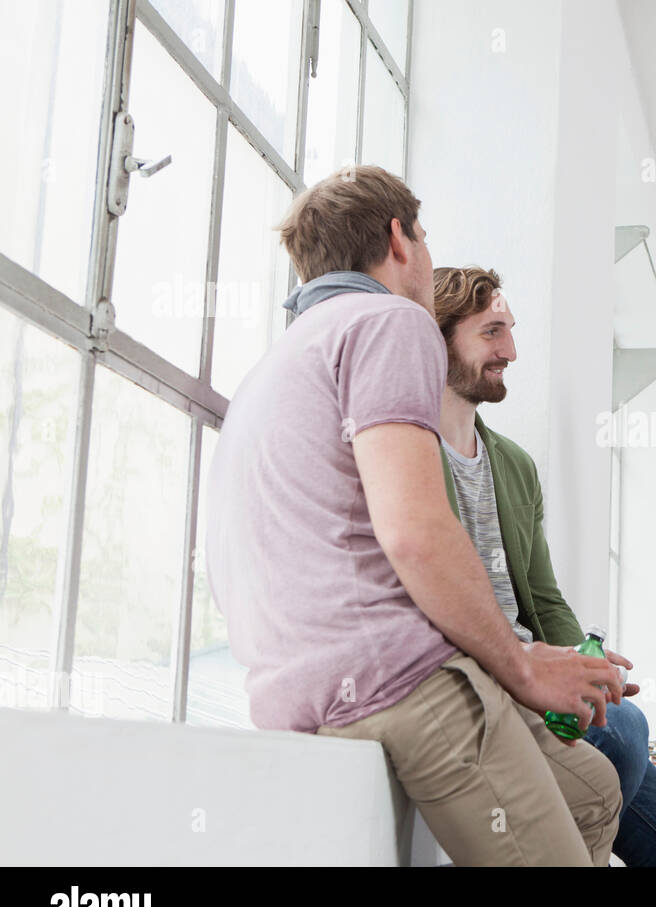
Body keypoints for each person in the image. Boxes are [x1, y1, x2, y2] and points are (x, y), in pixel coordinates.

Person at [205, 166, 626, 866]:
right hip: (398, 683)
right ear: (399, 239)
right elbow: (416, 533)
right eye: (423, 236)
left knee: (594, 791)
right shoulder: (391, 320)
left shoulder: (277, 363)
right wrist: (523, 669)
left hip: (293, 696)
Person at [430, 265, 656, 867]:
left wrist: (586, 665)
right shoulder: (406, 455)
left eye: (510, 331)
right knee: (625, 732)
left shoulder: (512, 463)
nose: (510, 350)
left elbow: (544, 596)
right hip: (486, 681)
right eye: (492, 332)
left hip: (542, 677)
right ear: (437, 337)